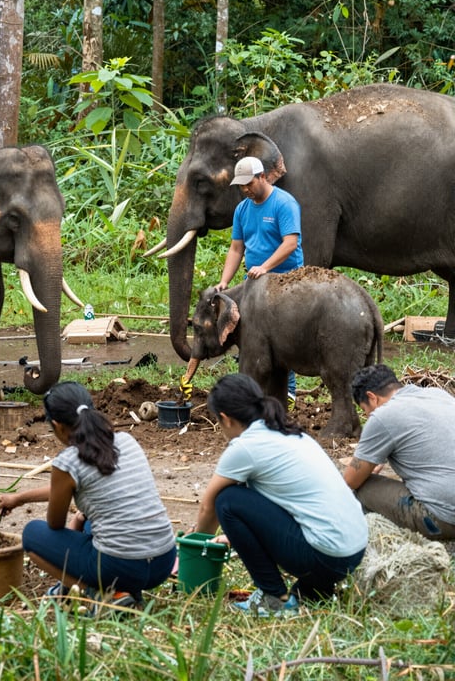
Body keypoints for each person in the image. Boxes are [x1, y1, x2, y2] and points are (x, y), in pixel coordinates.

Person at [192, 373, 367, 617]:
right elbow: (285, 504)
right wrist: (232, 538)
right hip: (352, 553)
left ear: (225, 419)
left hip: (326, 556)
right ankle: (315, 591)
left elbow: (208, 506)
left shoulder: (245, 447)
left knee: (228, 500)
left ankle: (272, 597)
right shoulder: (289, 432)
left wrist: (196, 546)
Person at [0, 381, 176, 611]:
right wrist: (20, 498)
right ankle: (124, 592)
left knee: (32, 534)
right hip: (163, 561)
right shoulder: (126, 441)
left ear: (57, 425)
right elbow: (83, 488)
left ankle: (96, 595)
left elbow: (55, 523)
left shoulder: (67, 462)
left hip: (122, 567)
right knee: (90, 521)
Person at [215, 156, 304, 400]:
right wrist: (224, 281)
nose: (245, 189)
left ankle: (289, 392)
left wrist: (265, 267)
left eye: (249, 183)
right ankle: (255, 388)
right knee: (251, 334)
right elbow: (236, 248)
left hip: (286, 278)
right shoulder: (242, 209)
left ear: (262, 176)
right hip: (255, 282)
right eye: (241, 186)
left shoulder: (284, 204)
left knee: (281, 334)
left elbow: (290, 243)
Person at [344, 364, 455, 540]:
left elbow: (350, 481)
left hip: (444, 519)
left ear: (372, 398)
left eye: (365, 411)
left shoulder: (383, 416)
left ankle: (373, 541)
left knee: (362, 487)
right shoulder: (437, 395)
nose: (368, 416)